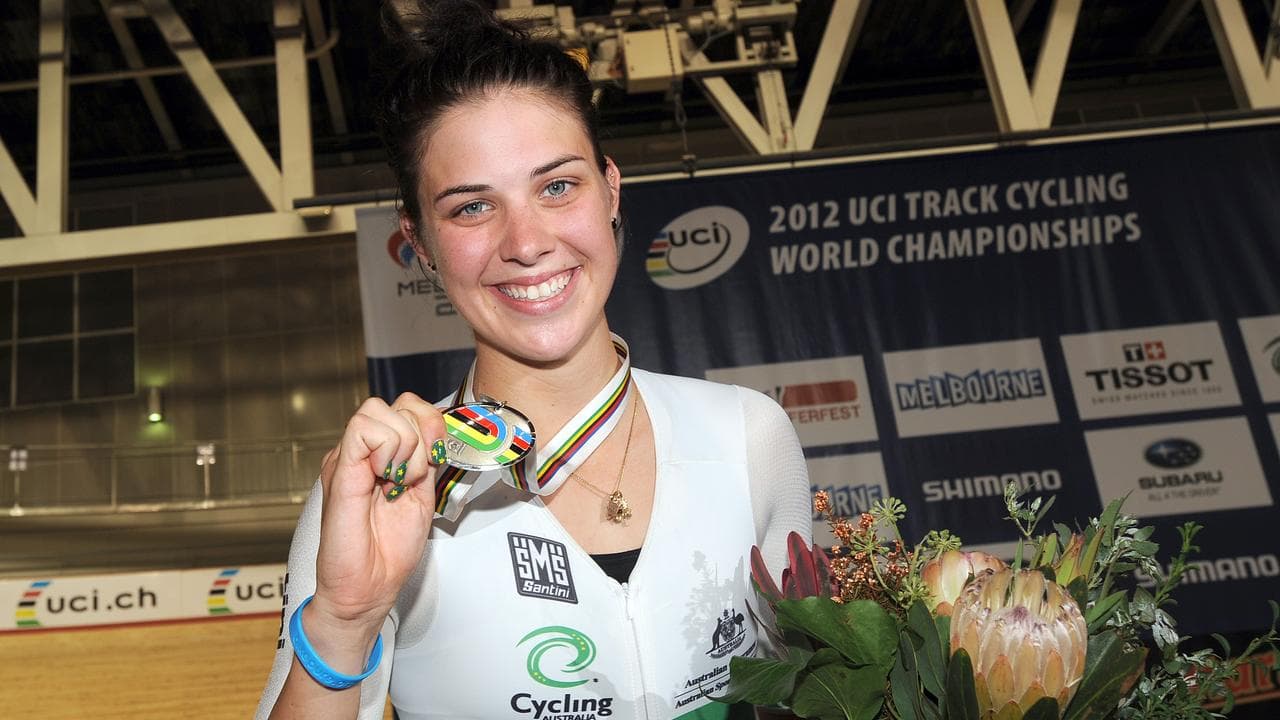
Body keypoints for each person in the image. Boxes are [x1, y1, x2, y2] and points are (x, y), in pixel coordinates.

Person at [256, 2, 811, 718]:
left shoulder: (749, 436)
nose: (526, 243)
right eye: (471, 207)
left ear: (610, 190)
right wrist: (342, 621)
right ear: (419, 242)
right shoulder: (379, 493)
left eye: (556, 186)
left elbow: (808, 693)